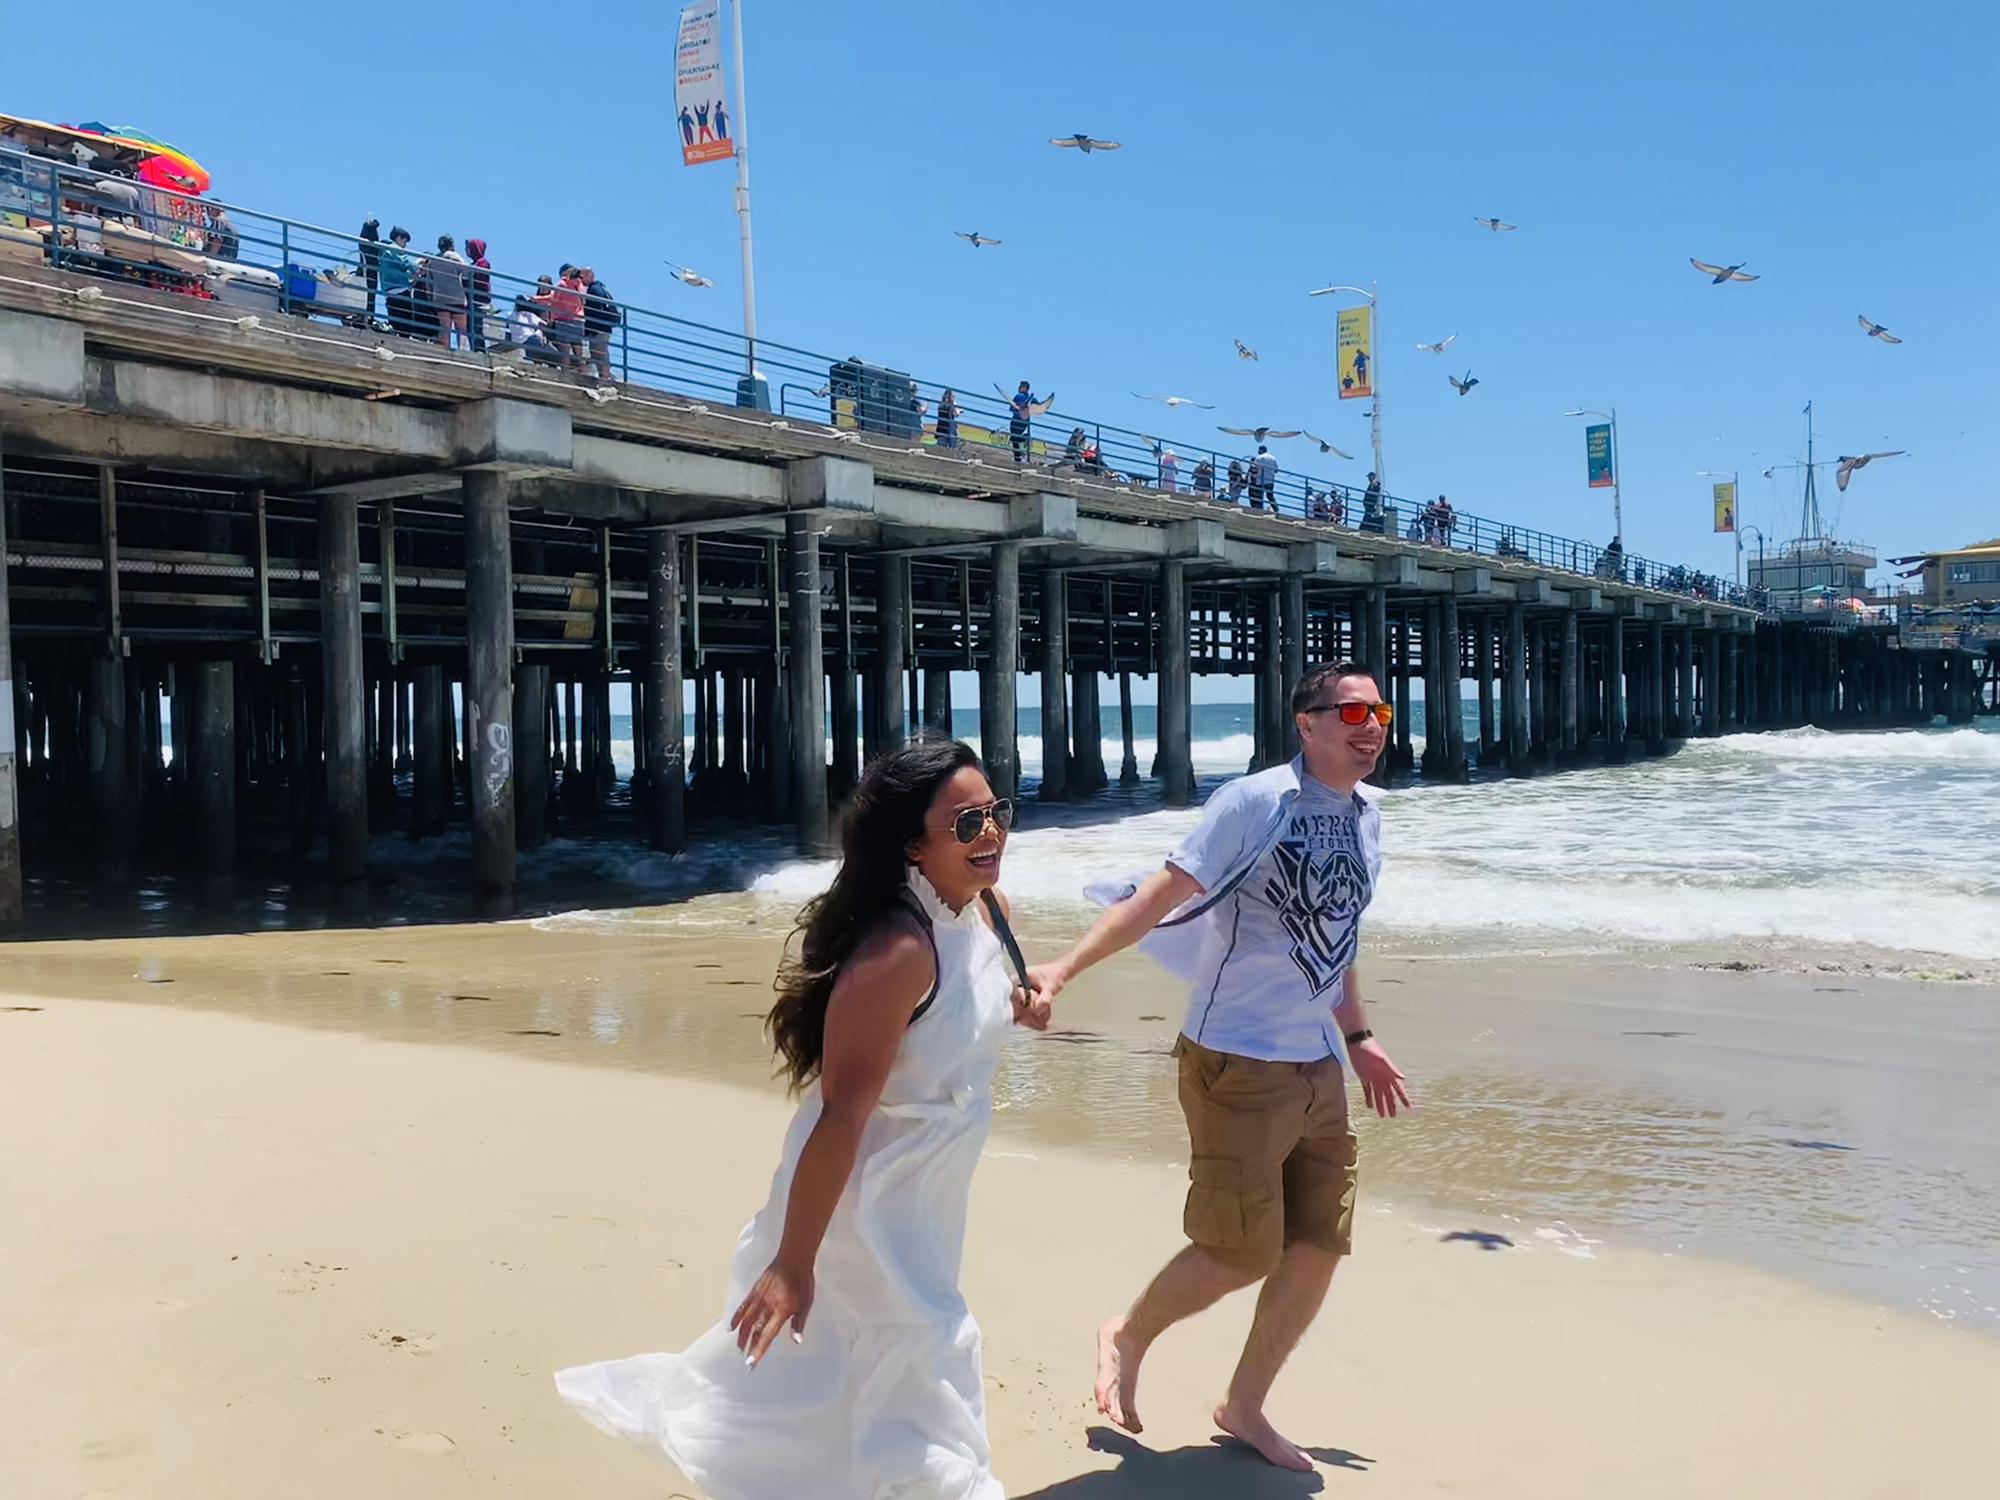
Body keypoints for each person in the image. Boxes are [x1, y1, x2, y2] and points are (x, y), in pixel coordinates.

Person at [556, 738, 1048, 1499]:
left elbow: (960, 1015)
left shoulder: (987, 912)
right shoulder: (898, 952)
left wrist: (1019, 1006)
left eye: (997, 814)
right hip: (866, 1201)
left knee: (859, 1379)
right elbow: (841, 1119)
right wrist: (792, 1261)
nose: (991, 834)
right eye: (966, 823)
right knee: (916, 1356)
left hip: (929, 1198)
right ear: (912, 845)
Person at [1025, 662, 1409, 1472]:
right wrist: (1062, 969)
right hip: (1238, 1056)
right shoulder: (1253, 802)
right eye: (1352, 712)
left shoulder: (1368, 814)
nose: (1371, 726)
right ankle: (1127, 1334)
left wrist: (1359, 1036)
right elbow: (1160, 895)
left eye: (1379, 711)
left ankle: (1245, 1406)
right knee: (1241, 1251)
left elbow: (1337, 934)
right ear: (1307, 723)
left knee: (1318, 1242)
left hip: (1317, 1062)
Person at [378, 226, 424, 339]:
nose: (405, 245)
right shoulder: (394, 248)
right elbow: (405, 262)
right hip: (400, 289)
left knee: (394, 323)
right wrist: (418, 266)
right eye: (405, 241)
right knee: (406, 323)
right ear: (399, 238)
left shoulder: (383, 251)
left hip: (389, 291)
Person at [425, 234, 470, 350]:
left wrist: (431, 298)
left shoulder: (433, 260)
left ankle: (445, 351)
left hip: (440, 298)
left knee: (445, 328)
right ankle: (461, 351)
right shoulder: (454, 256)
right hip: (457, 297)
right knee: (461, 328)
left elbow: (429, 283)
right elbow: (467, 272)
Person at [579, 266, 621, 384]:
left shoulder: (594, 289)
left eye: (582, 276)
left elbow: (596, 308)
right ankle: (604, 378)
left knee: (599, 353)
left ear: (589, 275)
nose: (580, 279)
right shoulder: (600, 287)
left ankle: (604, 379)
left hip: (598, 328)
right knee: (599, 353)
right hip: (603, 328)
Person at [465, 237, 493, 353]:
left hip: (478, 301)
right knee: (470, 328)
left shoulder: (483, 263)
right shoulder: (474, 264)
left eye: (468, 248)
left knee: (476, 327)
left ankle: (480, 350)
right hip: (471, 300)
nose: (466, 251)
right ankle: (474, 349)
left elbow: (480, 280)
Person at [356, 218, 383, 325]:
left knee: (367, 295)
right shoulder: (368, 241)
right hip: (368, 270)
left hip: (367, 269)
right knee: (368, 295)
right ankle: (367, 317)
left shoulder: (363, 239)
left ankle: (365, 316)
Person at [1008, 382, 1041, 464]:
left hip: (1016, 421)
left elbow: (1012, 408)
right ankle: (1025, 439)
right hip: (1024, 422)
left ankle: (1017, 458)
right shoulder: (1032, 399)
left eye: (1021, 387)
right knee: (1014, 439)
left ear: (1026, 388)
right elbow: (1039, 408)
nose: (1019, 388)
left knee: (1014, 439)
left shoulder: (1019, 396)